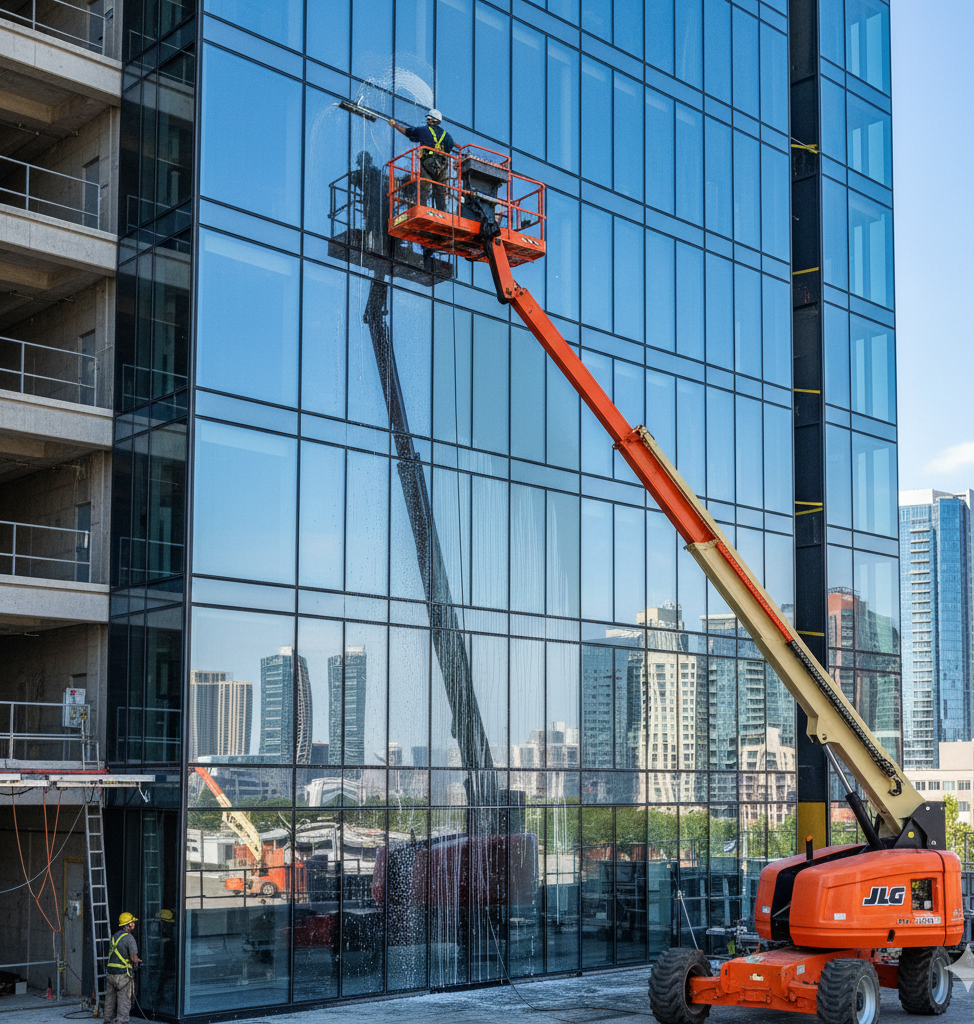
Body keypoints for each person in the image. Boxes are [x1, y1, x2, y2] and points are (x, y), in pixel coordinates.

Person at [388, 108, 455, 211]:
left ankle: (422, 209)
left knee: (423, 186)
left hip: (427, 161)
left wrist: (395, 125)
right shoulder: (447, 136)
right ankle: (442, 212)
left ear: (429, 120)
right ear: (438, 121)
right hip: (442, 164)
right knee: (440, 189)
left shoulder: (423, 130)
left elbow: (407, 132)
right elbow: (449, 147)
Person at [104, 912, 141, 1024]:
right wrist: (138, 961)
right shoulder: (129, 938)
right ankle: (122, 1021)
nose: (134, 924)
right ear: (128, 925)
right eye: (132, 922)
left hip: (110, 973)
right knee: (124, 999)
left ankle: (107, 1019)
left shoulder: (114, 936)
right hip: (123, 975)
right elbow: (133, 957)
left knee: (110, 999)